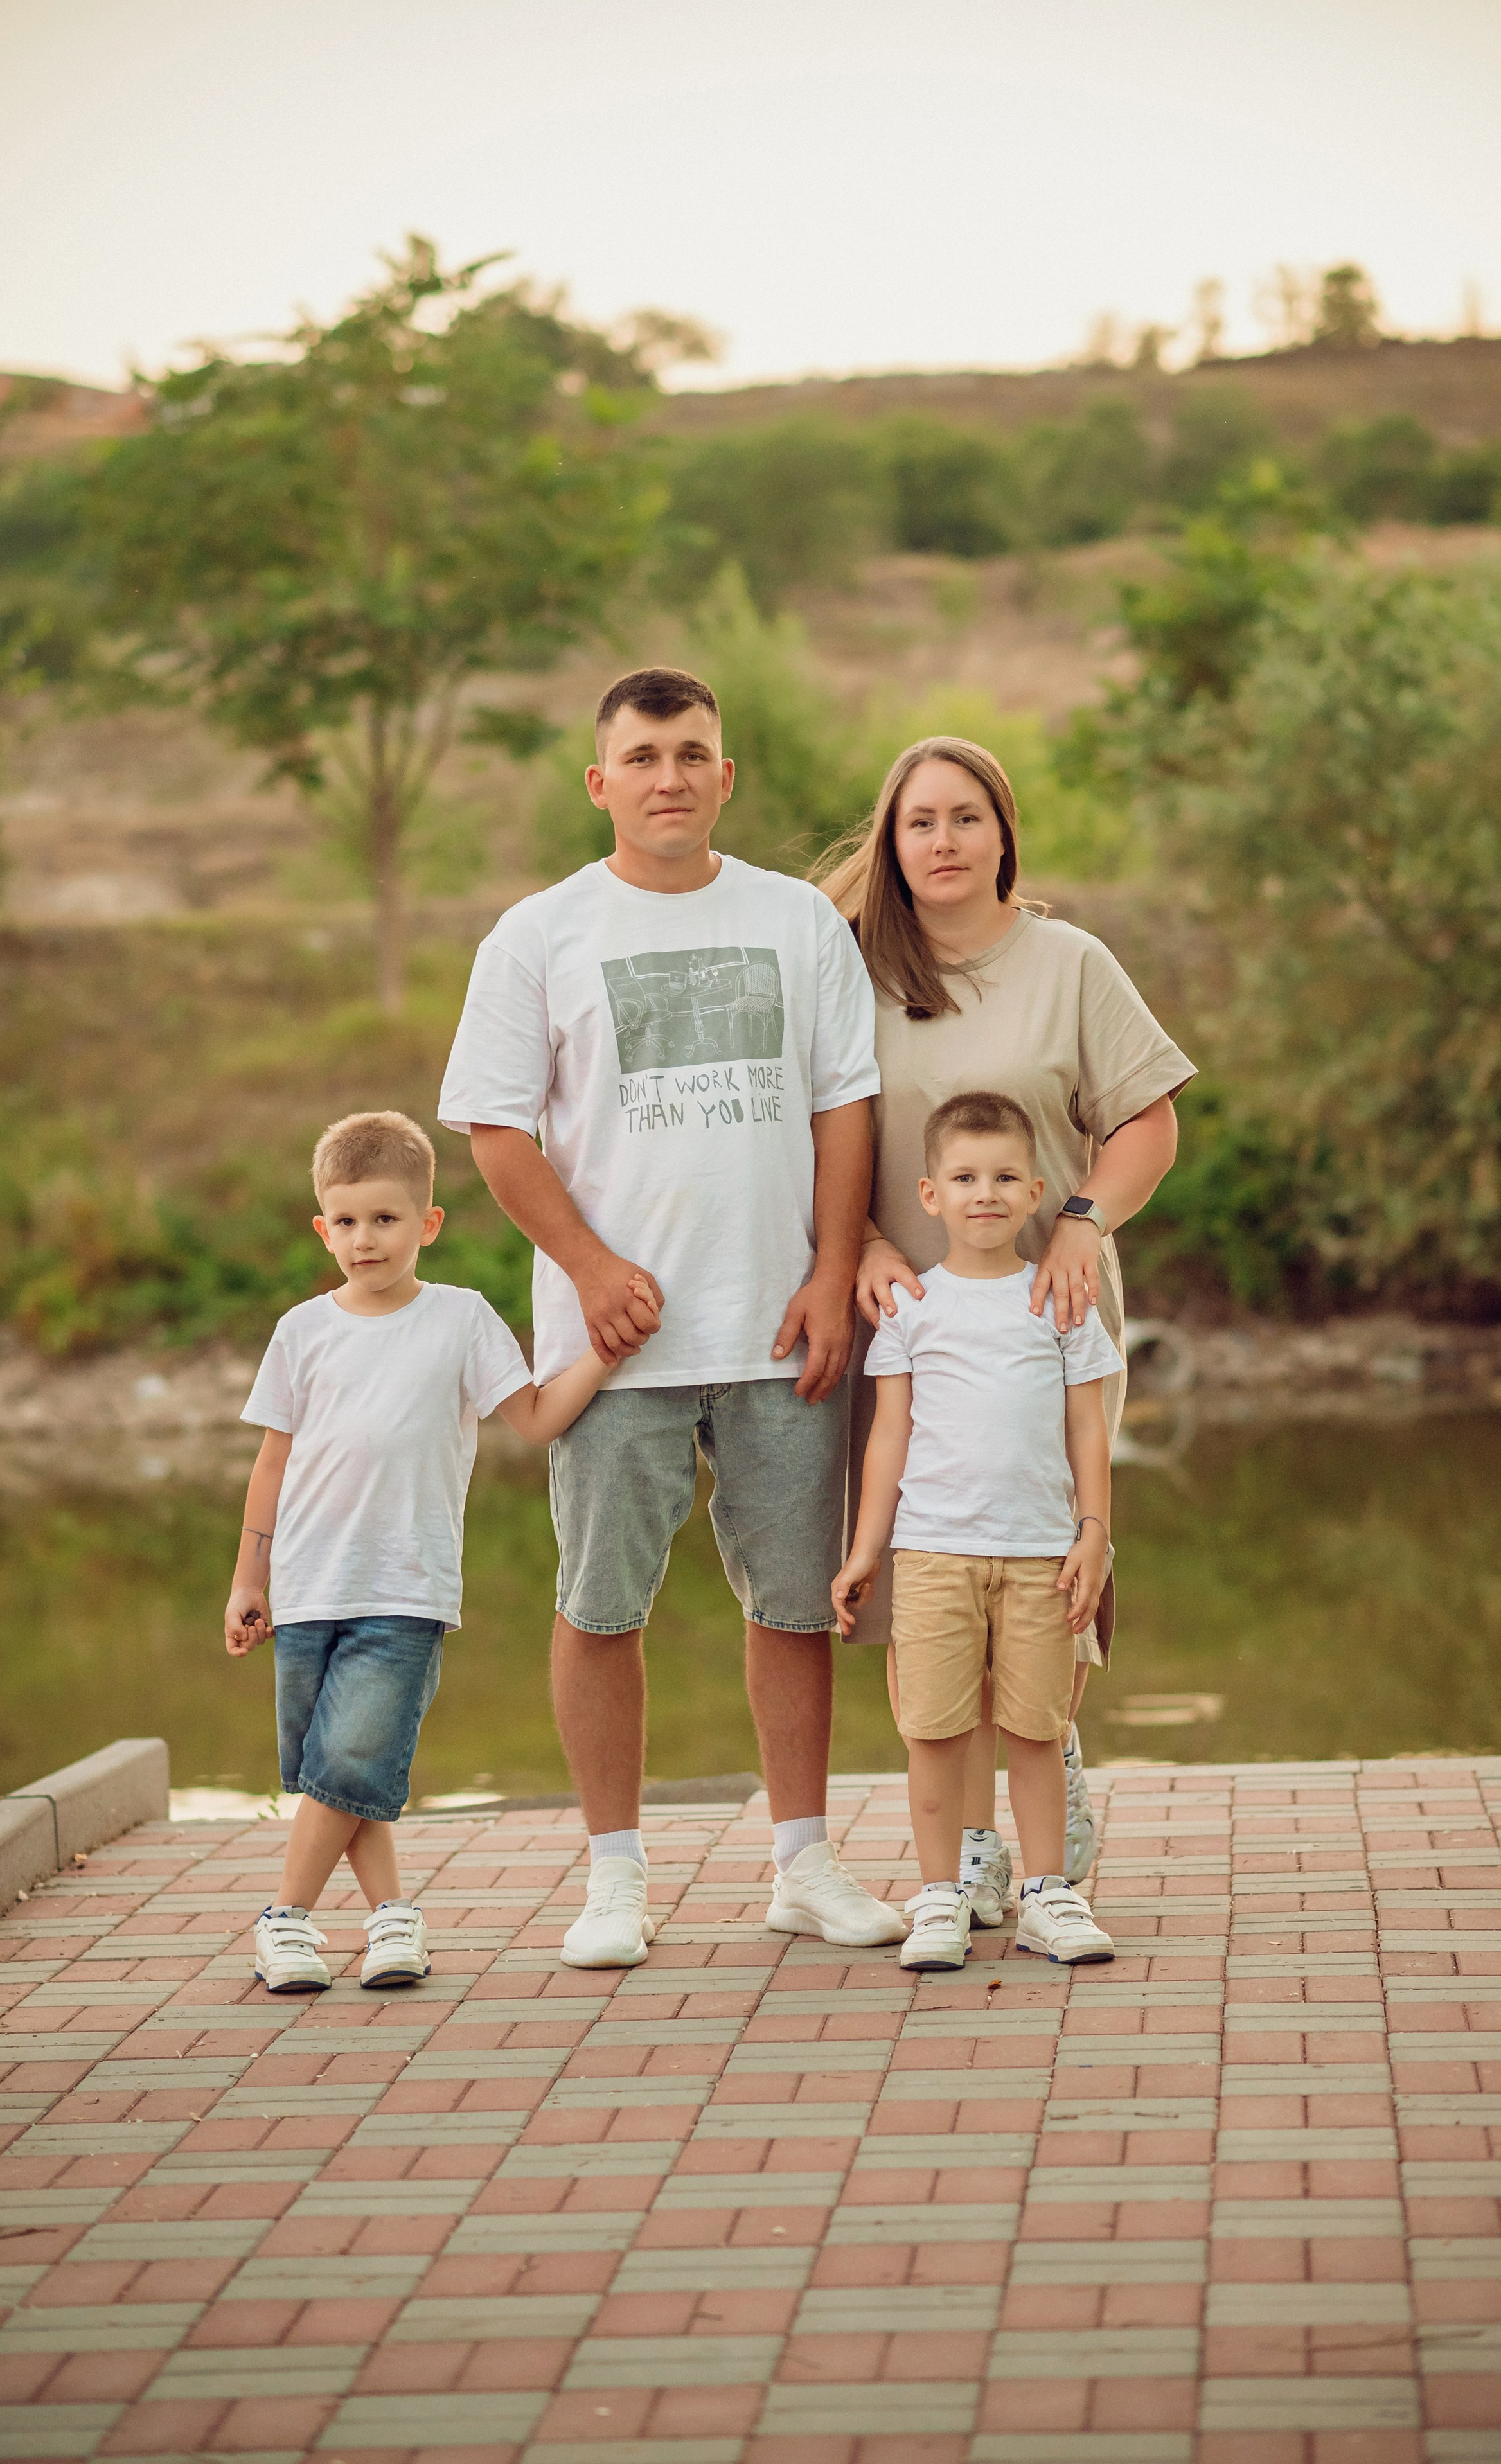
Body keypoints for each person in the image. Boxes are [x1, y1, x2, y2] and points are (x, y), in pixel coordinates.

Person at [438, 668, 905, 1969]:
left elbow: (845, 1105)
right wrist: (589, 1270)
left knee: (795, 1605)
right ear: (600, 782)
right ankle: (613, 1880)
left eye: (692, 753)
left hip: (778, 1328)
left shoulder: (795, 920)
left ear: (725, 776)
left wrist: (830, 1271)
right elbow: (495, 1129)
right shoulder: (537, 934)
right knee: (601, 1606)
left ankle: (803, 1863)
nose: (669, 777)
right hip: (613, 1350)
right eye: (642, 757)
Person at [818, 735, 1193, 1917]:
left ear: (1003, 834)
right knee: (929, 1572)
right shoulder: (847, 969)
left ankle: (1041, 1773)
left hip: (1048, 1312)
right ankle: (974, 1842)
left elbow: (1147, 1124)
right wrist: (861, 1242)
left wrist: (1084, 1217)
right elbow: (809, 1135)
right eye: (920, 821)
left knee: (1044, 1560)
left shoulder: (1069, 962)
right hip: (907, 1324)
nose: (944, 841)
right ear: (892, 842)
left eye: (966, 817)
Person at [225, 1110, 630, 1994]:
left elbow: (533, 1419)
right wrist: (250, 1575)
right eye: (346, 1221)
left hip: (405, 1587)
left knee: (350, 1757)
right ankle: (391, 1917)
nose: (364, 1239)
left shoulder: (460, 1320)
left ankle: (284, 1919)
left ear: (429, 1223)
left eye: (385, 1218)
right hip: (306, 1585)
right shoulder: (302, 1331)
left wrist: (604, 1355)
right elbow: (273, 1461)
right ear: (322, 1228)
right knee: (341, 1770)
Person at [834, 1090, 1121, 1970]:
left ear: (1035, 1192)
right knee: (934, 1734)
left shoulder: (1060, 1301)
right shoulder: (912, 1308)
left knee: (1036, 1730)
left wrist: (1094, 1532)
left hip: (1041, 1555)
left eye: (1003, 1178)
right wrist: (864, 1551)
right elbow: (889, 1437)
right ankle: (940, 1897)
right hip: (933, 1555)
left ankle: (1048, 1895)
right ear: (930, 1195)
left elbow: (1087, 1428)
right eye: (964, 1178)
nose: (984, 1194)